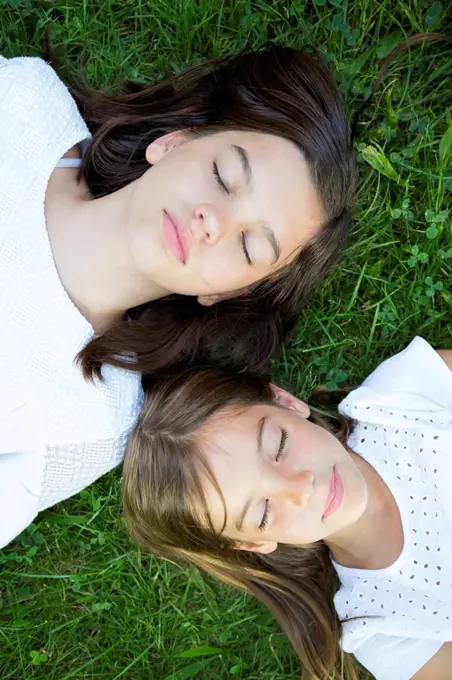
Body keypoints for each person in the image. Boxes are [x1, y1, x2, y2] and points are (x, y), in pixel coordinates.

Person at [0, 45, 354, 548]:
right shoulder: (23, 104)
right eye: (224, 176)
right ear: (173, 142)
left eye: (250, 245)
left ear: (229, 292)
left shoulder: (85, 421)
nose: (214, 220)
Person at [123, 337, 452, 680]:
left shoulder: (399, 399)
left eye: (279, 445)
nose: (301, 487)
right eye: (262, 512)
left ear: (285, 401)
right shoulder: (383, 630)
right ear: (252, 543)